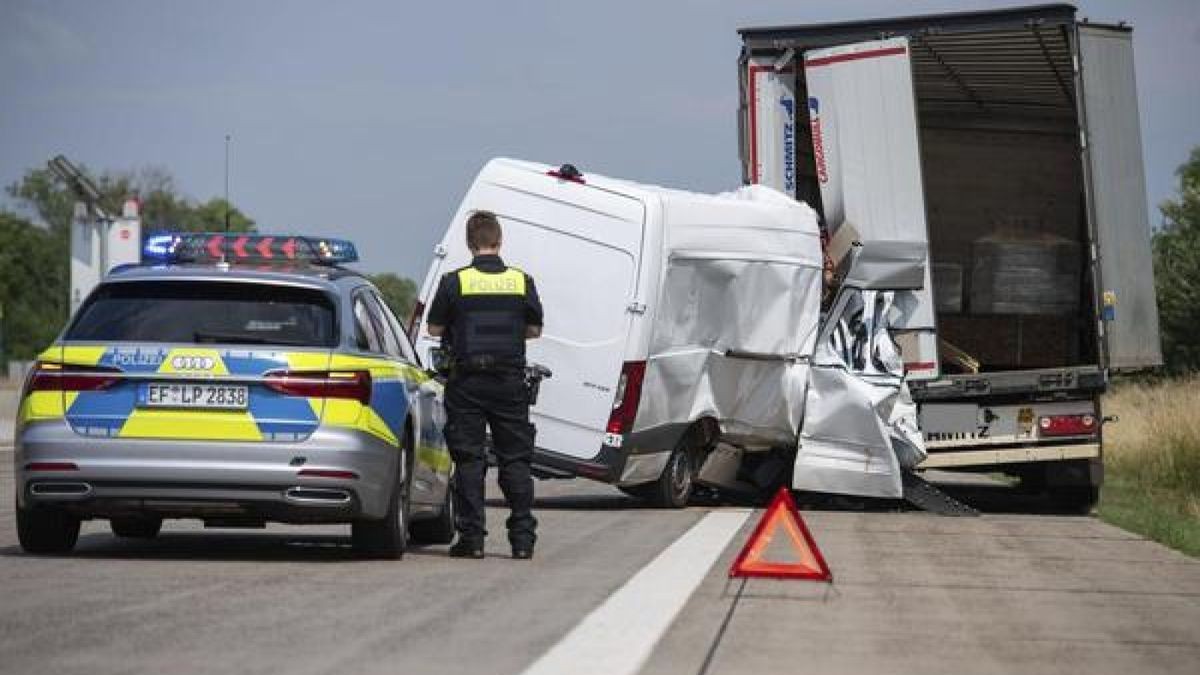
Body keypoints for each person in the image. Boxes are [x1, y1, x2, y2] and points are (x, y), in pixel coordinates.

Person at [426, 211, 544, 560]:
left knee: (469, 460)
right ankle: (522, 540)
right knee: (516, 460)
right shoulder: (522, 281)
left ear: (469, 243)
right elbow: (535, 330)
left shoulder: (454, 282)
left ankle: (472, 540)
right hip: (509, 382)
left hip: (467, 383)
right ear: (499, 241)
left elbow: (433, 330)